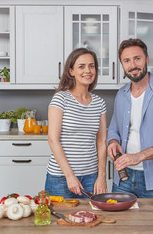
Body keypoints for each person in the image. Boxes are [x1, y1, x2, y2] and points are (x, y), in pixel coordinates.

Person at [107, 38, 153, 198]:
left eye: (137, 58)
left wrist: (138, 156)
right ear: (122, 65)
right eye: (126, 60)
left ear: (147, 59)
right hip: (123, 179)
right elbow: (114, 128)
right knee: (122, 223)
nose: (132, 65)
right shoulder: (121, 95)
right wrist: (113, 142)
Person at [45, 48, 107, 198]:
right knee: (61, 221)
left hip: (91, 177)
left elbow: (102, 141)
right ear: (71, 71)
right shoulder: (61, 99)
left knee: (91, 220)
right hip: (60, 177)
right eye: (82, 66)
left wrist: (101, 176)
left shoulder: (99, 103)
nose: (88, 70)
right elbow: (53, 140)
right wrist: (70, 176)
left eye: (92, 66)